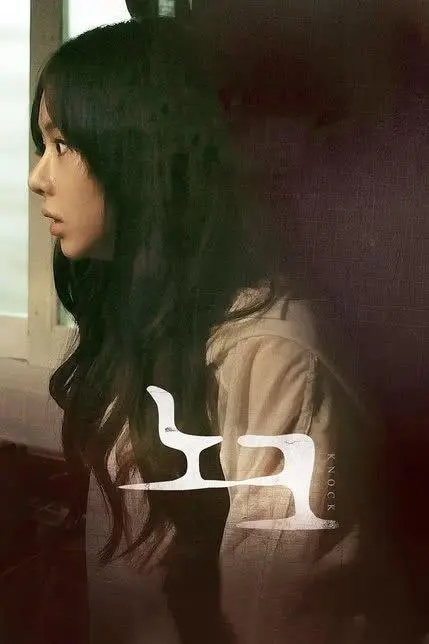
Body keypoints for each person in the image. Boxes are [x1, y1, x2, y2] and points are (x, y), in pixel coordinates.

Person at [27, 17, 414, 644]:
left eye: (63, 144)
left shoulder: (271, 354)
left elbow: (280, 619)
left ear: (141, 154)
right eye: (42, 146)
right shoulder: (141, 322)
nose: (38, 177)